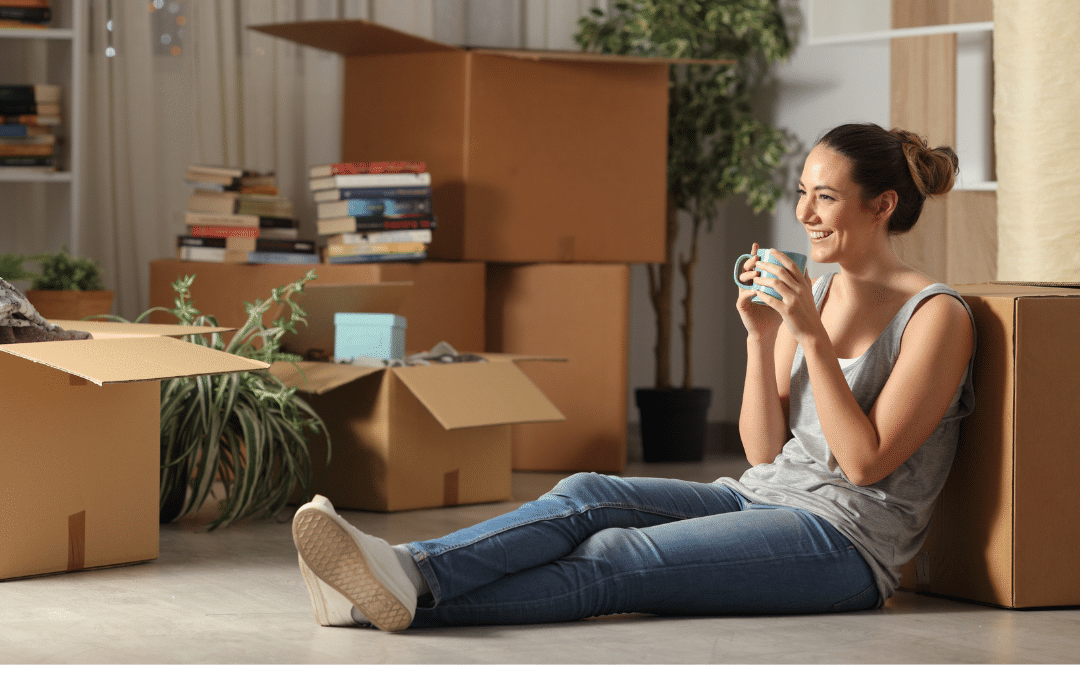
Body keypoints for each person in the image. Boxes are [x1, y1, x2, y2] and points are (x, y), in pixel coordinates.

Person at [290, 122, 976, 632]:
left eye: (825, 197)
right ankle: (404, 571)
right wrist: (759, 337)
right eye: (802, 193)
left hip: (846, 545)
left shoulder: (936, 316)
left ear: (883, 206)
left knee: (616, 557)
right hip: (764, 495)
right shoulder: (821, 295)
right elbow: (763, 453)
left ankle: (375, 598)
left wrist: (809, 338)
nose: (803, 215)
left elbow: (862, 463)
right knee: (588, 494)